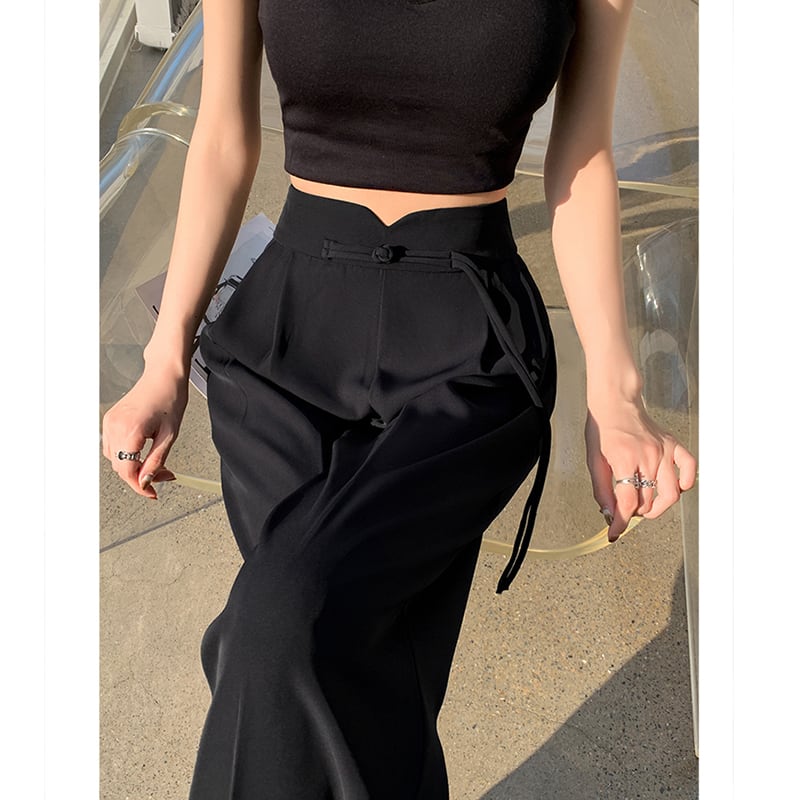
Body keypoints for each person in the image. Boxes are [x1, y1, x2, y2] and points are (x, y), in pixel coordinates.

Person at [102, 0, 697, 797]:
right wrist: (165, 357)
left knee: (282, 623)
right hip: (287, 339)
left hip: (470, 347)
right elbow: (221, 138)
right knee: (359, 669)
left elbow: (583, 159)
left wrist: (616, 395)